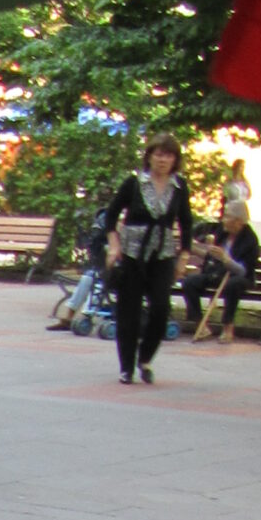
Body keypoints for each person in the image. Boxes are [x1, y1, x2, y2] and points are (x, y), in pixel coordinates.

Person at [103, 133, 194, 386]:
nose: (163, 160)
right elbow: (110, 216)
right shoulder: (134, 183)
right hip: (132, 253)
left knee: (161, 309)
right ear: (150, 156)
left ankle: (145, 358)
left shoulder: (179, 186)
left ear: (175, 160)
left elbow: (186, 223)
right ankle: (126, 367)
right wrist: (114, 245)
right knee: (128, 312)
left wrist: (184, 257)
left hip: (162, 254)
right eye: (158, 154)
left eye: (168, 155)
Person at [182, 199, 260, 344]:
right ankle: (201, 325)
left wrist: (226, 259)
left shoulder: (250, 240)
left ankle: (228, 327)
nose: (223, 220)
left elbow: (244, 271)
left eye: (227, 216)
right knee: (189, 282)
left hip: (239, 277)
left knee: (233, 285)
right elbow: (209, 254)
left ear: (239, 221)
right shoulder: (222, 232)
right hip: (216, 273)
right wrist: (195, 248)